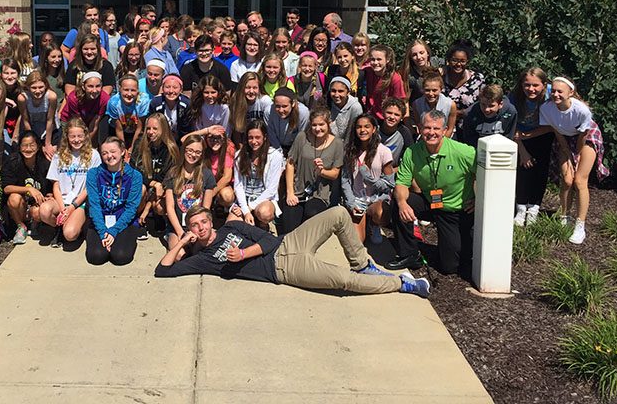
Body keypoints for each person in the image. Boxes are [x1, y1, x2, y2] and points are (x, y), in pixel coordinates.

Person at [155, 205, 430, 297]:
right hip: (284, 270)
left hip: (289, 244)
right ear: (190, 228)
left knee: (337, 213)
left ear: (210, 221)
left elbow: (268, 240)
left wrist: (242, 255)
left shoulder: (232, 228)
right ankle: (401, 284)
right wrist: (181, 242)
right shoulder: (203, 259)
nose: (201, 228)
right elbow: (162, 271)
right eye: (195, 225)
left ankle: (361, 263)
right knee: (344, 282)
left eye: (204, 222)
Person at [385, 110, 476, 276]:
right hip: (429, 201)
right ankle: (410, 254)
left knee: (450, 267)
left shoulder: (464, 152)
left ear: (444, 130)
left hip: (454, 210)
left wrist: (479, 199)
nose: (431, 132)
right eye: (427, 128)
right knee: (399, 202)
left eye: (436, 128)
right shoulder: (412, 152)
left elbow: (487, 175)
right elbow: (401, 184)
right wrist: (402, 204)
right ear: (419, 128)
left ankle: (445, 248)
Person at [538, 77, 609, 244]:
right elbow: (557, 131)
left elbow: (583, 136)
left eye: (560, 91)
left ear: (570, 93)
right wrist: (567, 154)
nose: (555, 94)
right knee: (567, 180)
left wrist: (576, 155)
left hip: (585, 137)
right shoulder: (547, 108)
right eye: (553, 90)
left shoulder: (582, 110)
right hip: (565, 139)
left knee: (579, 180)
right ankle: (564, 216)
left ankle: (580, 224)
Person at [40, 117, 102, 247]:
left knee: (70, 234)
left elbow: (90, 187)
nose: (76, 140)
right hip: (61, 200)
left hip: (80, 202)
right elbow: (56, 185)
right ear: (67, 137)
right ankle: (58, 227)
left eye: (80, 136)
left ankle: (73, 227)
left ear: (85, 135)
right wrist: (63, 209)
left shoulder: (94, 155)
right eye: (72, 136)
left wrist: (72, 207)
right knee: (44, 211)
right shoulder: (59, 155)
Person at [282, 107, 344, 235]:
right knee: (289, 229)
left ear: (329, 123)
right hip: (298, 190)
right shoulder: (302, 137)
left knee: (311, 215)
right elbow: (290, 163)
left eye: (321, 124)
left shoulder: (337, 143)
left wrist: (322, 172)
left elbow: (335, 173)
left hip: (319, 193)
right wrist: (290, 192)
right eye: (314, 125)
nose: (317, 128)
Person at [84, 137, 143, 265]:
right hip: (100, 220)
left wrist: (113, 231)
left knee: (121, 257)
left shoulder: (135, 176)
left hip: (124, 220)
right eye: (104, 153)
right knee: (96, 257)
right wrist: (103, 232)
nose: (109, 156)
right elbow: (94, 205)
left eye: (113, 151)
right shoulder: (93, 174)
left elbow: (131, 208)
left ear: (122, 151)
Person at [509, 67, 553, 226]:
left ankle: (534, 207)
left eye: (536, 85)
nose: (531, 89)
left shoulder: (551, 95)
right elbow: (510, 125)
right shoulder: (514, 97)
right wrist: (522, 149)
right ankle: (520, 207)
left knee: (540, 171)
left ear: (544, 84)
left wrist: (527, 136)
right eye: (527, 85)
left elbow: (553, 126)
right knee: (523, 170)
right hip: (519, 135)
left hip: (543, 134)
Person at [341, 114, 394, 244]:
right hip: (358, 199)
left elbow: (389, 184)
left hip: (376, 198)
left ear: (374, 129)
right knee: (358, 242)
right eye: (359, 127)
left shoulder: (384, 151)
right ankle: (360, 219)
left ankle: (374, 224)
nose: (362, 130)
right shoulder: (349, 150)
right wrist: (351, 202)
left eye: (367, 126)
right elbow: (345, 180)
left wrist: (372, 181)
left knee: (381, 213)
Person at [1, 131, 57, 245]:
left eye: (32, 145)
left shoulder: (45, 163)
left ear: (38, 147)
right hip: (21, 206)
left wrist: (51, 195)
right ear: (19, 147)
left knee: (37, 212)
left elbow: (55, 183)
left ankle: (36, 224)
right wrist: (29, 189)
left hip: (37, 204)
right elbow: (6, 188)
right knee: (14, 198)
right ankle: (21, 227)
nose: (28, 149)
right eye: (24, 145)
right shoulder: (12, 162)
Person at [164, 135, 217, 249]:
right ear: (184, 150)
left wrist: (198, 231)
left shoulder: (207, 174)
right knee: (179, 255)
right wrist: (181, 233)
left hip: (199, 226)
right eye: (190, 150)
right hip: (177, 226)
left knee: (203, 251)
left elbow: (206, 209)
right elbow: (170, 208)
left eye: (198, 152)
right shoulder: (173, 173)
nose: (193, 155)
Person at [131, 114, 179, 236]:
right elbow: (134, 171)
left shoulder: (171, 149)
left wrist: (148, 207)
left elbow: (167, 178)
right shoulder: (139, 144)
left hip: (160, 189)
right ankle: (136, 218)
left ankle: (157, 215)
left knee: (160, 204)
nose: (150, 132)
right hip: (145, 185)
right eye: (148, 128)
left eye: (155, 129)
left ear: (163, 129)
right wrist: (153, 183)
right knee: (140, 189)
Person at [233, 120, 284, 226]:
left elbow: (271, 190)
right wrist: (245, 210)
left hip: (264, 198)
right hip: (245, 198)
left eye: (257, 137)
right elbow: (238, 186)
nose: (254, 141)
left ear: (264, 137)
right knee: (232, 224)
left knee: (265, 213)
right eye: (250, 138)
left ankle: (264, 225)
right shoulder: (239, 155)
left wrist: (250, 208)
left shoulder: (275, 156)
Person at [441, 40, 485, 135]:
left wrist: (459, 113)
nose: (458, 64)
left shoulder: (477, 79)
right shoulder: (440, 79)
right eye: (454, 60)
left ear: (467, 61)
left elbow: (483, 103)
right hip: (445, 128)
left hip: (471, 127)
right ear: (448, 61)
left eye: (462, 61)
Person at [60, 71, 110, 147]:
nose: (94, 90)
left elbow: (94, 123)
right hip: (70, 120)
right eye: (90, 86)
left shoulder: (105, 99)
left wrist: (86, 144)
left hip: (90, 121)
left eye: (98, 86)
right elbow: (78, 123)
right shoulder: (73, 98)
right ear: (83, 86)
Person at [462, 84, 518, 149]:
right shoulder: (470, 114)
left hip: (501, 148)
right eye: (483, 104)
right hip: (478, 148)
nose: (486, 109)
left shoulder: (510, 112)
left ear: (500, 104)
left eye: (491, 106)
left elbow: (509, 137)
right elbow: (469, 140)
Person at [17, 70, 59, 158]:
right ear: (28, 87)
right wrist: (34, 142)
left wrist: (47, 144)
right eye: (34, 87)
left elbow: (50, 120)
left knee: (50, 154)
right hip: (31, 128)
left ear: (45, 86)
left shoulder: (51, 97)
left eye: (41, 87)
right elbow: (25, 120)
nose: (38, 91)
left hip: (49, 129)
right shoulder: (23, 98)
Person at [106, 74, 151, 150]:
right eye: (126, 90)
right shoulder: (113, 102)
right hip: (118, 130)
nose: (129, 94)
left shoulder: (143, 101)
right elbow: (119, 129)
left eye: (133, 90)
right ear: (120, 89)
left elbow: (140, 127)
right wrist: (123, 148)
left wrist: (132, 148)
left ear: (137, 90)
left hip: (136, 131)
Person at [227, 71, 271, 146]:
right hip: (244, 141)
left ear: (259, 88)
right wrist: (241, 149)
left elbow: (270, 129)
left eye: (255, 88)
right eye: (247, 87)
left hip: (262, 140)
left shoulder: (265, 101)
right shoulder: (236, 101)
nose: (251, 91)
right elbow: (236, 132)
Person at [364, 45, 407, 120]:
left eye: (379, 59)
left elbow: (399, 102)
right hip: (369, 115)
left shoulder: (394, 79)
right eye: (372, 59)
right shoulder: (367, 72)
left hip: (385, 118)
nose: (375, 62)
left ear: (387, 60)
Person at [148, 73, 193, 141]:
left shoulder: (186, 104)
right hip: (159, 138)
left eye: (175, 87)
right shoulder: (155, 103)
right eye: (167, 87)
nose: (171, 91)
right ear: (162, 88)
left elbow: (187, 129)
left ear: (181, 90)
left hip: (180, 139)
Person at [267, 87, 310, 157]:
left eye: (284, 106)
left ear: (293, 103)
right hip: (276, 146)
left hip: (297, 147)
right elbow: (271, 134)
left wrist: (291, 155)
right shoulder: (269, 111)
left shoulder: (303, 112)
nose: (281, 110)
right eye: (277, 106)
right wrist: (280, 153)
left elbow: (301, 136)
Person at [411, 73, 458, 138]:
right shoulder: (417, 104)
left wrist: (441, 144)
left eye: (434, 90)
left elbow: (450, 128)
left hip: (446, 137)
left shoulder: (450, 105)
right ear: (422, 89)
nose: (431, 94)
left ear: (441, 89)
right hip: (427, 136)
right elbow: (420, 126)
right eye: (427, 90)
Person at [378, 98, 415, 173]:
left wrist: (394, 170)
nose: (392, 117)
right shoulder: (374, 128)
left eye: (396, 115)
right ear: (382, 112)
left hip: (393, 171)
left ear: (402, 117)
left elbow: (411, 159)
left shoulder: (404, 133)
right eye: (389, 112)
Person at [327, 76, 363, 140]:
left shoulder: (355, 107)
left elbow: (351, 133)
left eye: (340, 91)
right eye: (333, 91)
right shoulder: (327, 103)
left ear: (348, 92)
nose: (336, 95)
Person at [400, 39, 435, 104]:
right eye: (414, 55)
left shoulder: (437, 63)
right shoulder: (410, 75)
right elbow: (405, 99)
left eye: (421, 53)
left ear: (427, 53)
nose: (419, 57)